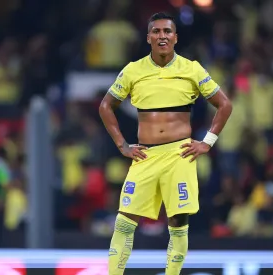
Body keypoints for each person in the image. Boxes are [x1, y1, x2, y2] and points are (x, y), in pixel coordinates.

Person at [99, 13, 232, 275]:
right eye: (157, 31)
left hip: (178, 154)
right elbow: (106, 106)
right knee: (124, 222)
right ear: (148, 37)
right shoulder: (132, 70)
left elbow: (224, 105)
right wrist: (122, 145)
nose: (162, 36)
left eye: (167, 32)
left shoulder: (192, 68)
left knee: (178, 223)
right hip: (145, 156)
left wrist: (207, 142)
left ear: (175, 37)